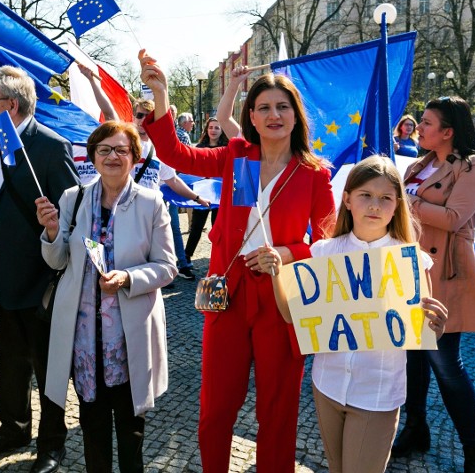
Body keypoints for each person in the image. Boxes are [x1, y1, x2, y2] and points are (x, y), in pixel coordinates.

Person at [139, 50, 336, 472]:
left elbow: (327, 243)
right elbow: (175, 154)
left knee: (278, 412)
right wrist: (161, 94)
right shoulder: (237, 156)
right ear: (251, 115)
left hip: (281, 303)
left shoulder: (314, 173)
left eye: (282, 107)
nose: (273, 115)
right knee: (216, 409)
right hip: (226, 298)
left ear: (296, 115)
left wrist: (287, 253)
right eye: (263, 107)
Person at [263, 155, 448, 473]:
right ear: (347, 199)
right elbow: (291, 314)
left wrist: (438, 324)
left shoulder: (411, 262)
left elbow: (421, 327)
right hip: (328, 385)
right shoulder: (323, 252)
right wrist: (277, 274)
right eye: (366, 195)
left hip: (376, 392)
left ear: (397, 205)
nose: (375, 205)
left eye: (385, 198)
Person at [37, 121, 176, 472]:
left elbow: (167, 266)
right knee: (92, 427)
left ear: (134, 156)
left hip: (128, 338)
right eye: (104, 150)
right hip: (84, 337)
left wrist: (129, 277)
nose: (112, 157)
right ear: (93, 155)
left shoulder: (151, 203)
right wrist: (53, 232)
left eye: (121, 150)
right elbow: (58, 261)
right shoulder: (75, 197)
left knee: (131, 433)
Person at [0, 66, 78, 473]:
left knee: (46, 367)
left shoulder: (50, 147)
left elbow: (71, 213)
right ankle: (12, 429)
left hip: (41, 281)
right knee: (9, 362)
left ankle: (51, 445)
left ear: (10, 104)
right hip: (2, 275)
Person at [393, 96, 475, 473]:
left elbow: (454, 218)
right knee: (412, 357)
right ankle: (415, 428)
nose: (419, 127)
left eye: (428, 122)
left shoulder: (474, 166)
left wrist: (408, 201)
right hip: (408, 269)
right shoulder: (418, 164)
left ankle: (474, 455)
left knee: (446, 362)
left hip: (446, 272)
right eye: (420, 120)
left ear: (449, 132)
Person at [132, 98, 207, 281]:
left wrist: (196, 198)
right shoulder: (123, 144)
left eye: (148, 116)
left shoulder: (160, 150)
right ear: (133, 117)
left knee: (154, 262)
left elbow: (172, 180)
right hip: (128, 212)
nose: (143, 120)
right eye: (139, 115)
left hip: (152, 214)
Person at [184, 117, 228, 262]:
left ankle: (217, 259)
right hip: (202, 194)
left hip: (221, 195)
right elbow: (192, 170)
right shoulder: (200, 148)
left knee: (218, 229)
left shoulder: (227, 149)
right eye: (211, 127)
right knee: (196, 227)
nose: (213, 130)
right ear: (206, 129)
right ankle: (186, 256)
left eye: (217, 127)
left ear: (222, 130)